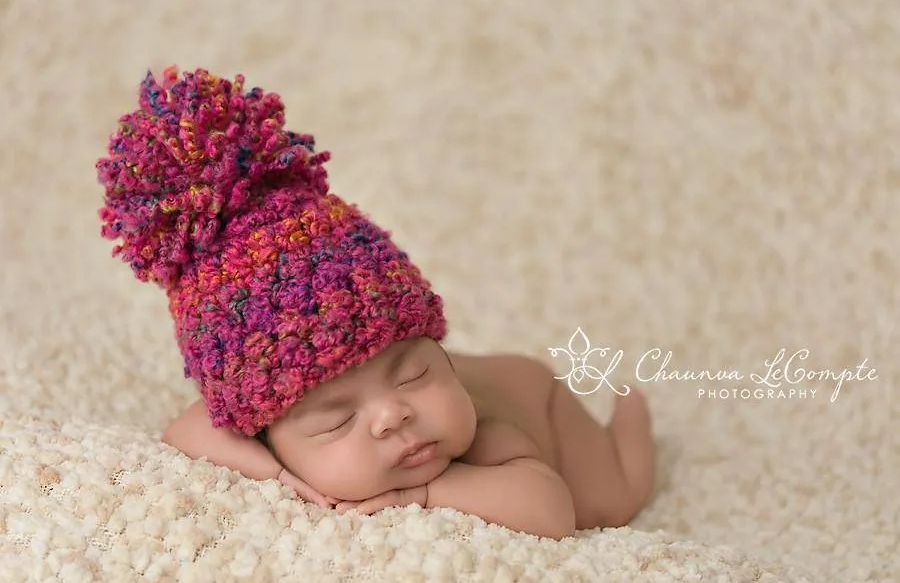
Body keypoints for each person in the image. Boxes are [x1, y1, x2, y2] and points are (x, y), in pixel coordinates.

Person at [95, 66, 656, 540]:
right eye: (337, 419)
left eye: (415, 373)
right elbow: (188, 432)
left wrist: (431, 490)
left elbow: (551, 509)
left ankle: (632, 420)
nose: (393, 414)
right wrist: (276, 475)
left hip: (538, 396)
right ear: (263, 431)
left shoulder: (487, 434)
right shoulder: (260, 427)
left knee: (607, 499)